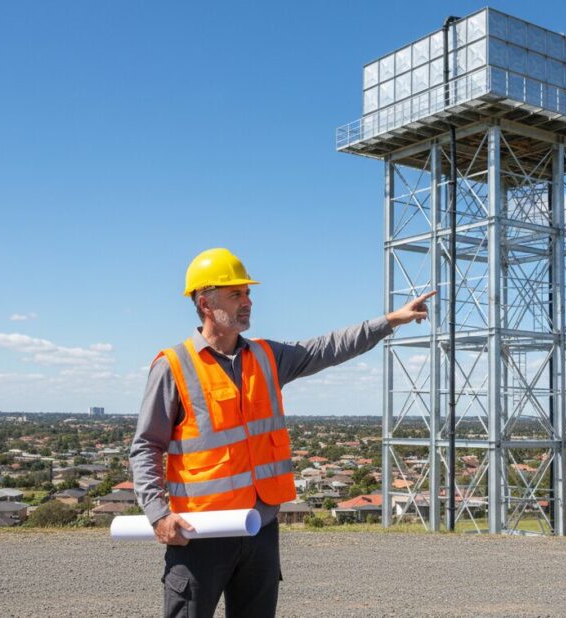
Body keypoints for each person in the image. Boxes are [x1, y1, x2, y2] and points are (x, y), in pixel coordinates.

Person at [130, 247, 434, 618]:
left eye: (248, 293)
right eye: (236, 294)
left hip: (259, 529)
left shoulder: (267, 357)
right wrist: (159, 514)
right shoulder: (173, 366)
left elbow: (328, 347)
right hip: (199, 531)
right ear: (205, 303)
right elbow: (146, 446)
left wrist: (391, 321)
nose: (248, 302)